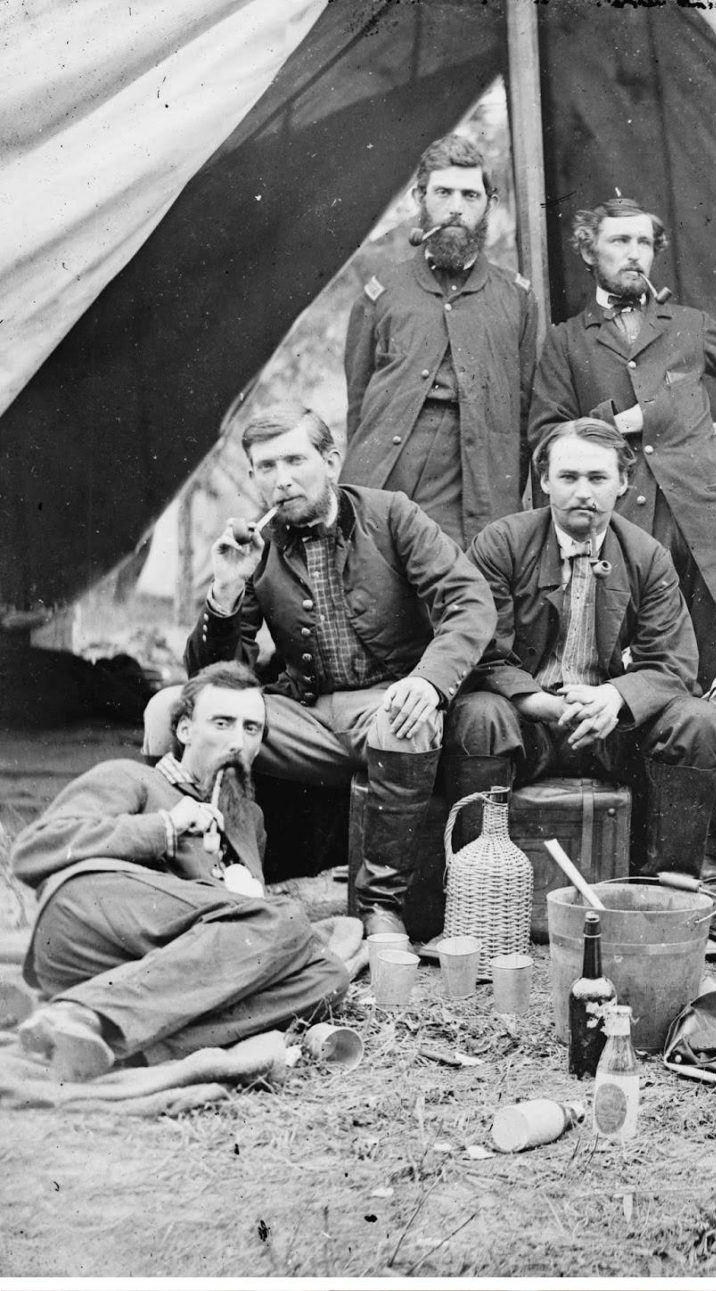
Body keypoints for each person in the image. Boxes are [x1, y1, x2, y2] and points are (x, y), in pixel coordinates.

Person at [143, 405, 499, 935]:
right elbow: (218, 682)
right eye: (266, 467)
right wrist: (225, 590)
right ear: (254, 478)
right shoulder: (254, 549)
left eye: (295, 460)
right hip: (302, 716)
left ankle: (381, 907)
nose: (282, 479)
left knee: (408, 717)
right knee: (169, 708)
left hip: (386, 702)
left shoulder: (391, 515)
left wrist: (426, 681)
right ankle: (198, 877)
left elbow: (469, 602)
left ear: (330, 461)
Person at [11, 662, 352, 1081]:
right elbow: (32, 851)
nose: (236, 741)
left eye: (251, 729)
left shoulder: (247, 822)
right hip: (86, 917)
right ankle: (89, 1015)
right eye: (222, 723)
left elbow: (232, 932)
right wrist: (167, 827)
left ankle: (110, 1040)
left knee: (327, 975)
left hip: (145, 966)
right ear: (186, 730)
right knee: (284, 920)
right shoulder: (132, 778)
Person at [528, 195, 716, 684]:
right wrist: (616, 423)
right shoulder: (566, 341)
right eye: (619, 241)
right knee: (641, 666)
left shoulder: (689, 324)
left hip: (711, 517)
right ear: (589, 252)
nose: (633, 253)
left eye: (643, 242)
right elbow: (547, 435)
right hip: (630, 522)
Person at [462, 419, 716, 878]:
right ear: (544, 480)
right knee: (479, 715)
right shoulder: (502, 543)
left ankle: (666, 889)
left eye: (598, 478)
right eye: (568, 477)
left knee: (700, 721)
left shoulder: (647, 556)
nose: (583, 492)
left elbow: (674, 663)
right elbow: (479, 649)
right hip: (527, 724)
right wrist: (537, 702)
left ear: (624, 482)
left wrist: (616, 698)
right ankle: (478, 882)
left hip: (614, 729)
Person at [343, 132, 537, 546]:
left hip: (477, 488)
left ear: (490, 204)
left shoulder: (515, 298)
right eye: (443, 192)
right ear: (419, 197)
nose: (455, 208)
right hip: (390, 485)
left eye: (470, 196)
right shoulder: (382, 293)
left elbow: (524, 415)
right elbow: (358, 408)